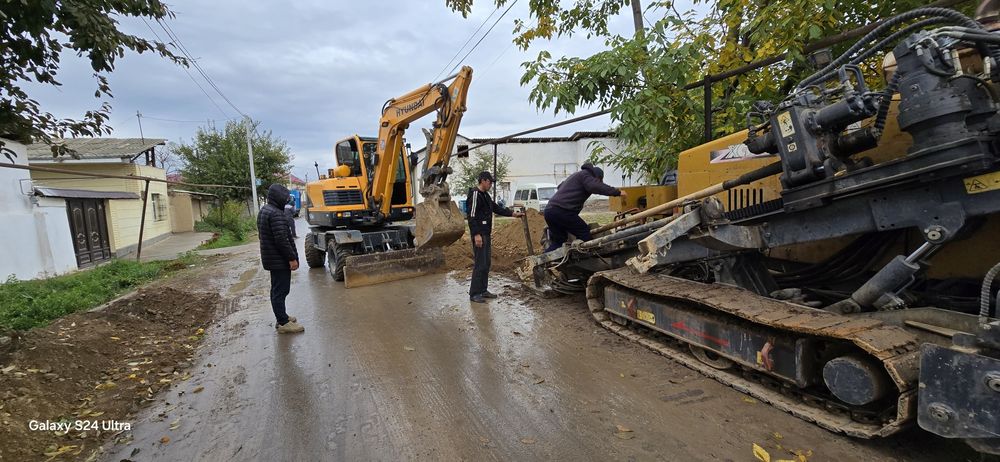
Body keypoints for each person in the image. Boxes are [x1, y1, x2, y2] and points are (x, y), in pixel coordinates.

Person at [466, 171, 524, 303]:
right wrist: (476, 235)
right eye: (489, 182)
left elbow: (496, 208)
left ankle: (483, 290)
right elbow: (472, 216)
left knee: (486, 263)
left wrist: (512, 214)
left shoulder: (485, 195)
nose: (491, 184)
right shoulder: (475, 194)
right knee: (480, 263)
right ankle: (474, 293)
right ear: (483, 181)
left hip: (486, 233)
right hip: (479, 234)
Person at [543, 163, 626, 252]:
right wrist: (618, 192)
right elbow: (595, 186)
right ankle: (583, 260)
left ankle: (542, 261)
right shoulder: (586, 175)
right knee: (584, 234)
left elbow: (560, 186)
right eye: (599, 181)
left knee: (558, 242)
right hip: (562, 211)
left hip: (549, 211)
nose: (598, 183)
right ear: (597, 177)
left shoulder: (576, 176)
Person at [257, 184, 304, 334]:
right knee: (281, 291)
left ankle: (281, 316)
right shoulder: (276, 213)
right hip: (279, 260)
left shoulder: (265, 210)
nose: (287, 199)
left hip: (272, 258)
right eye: (285, 197)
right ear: (278, 197)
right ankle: (283, 323)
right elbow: (282, 240)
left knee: (277, 289)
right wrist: (291, 258)